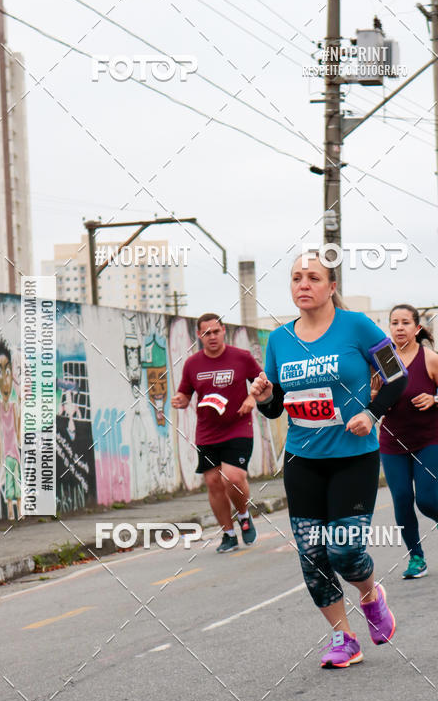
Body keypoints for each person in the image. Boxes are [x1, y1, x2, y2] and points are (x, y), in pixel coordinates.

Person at [251, 253, 407, 669]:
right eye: (296, 278)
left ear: (331, 287)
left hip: (353, 457)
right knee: (312, 556)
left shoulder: (358, 326)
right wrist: (265, 397)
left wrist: (371, 413)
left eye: (313, 277)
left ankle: (371, 595)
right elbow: (276, 406)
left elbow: (397, 376)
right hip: (302, 459)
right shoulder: (280, 339)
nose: (303, 284)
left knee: (345, 551)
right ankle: (344, 638)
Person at [375, 304, 438, 580]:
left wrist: (434, 399)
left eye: (405, 323)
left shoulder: (430, 359)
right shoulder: (384, 359)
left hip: (429, 439)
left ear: (417, 328)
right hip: (393, 442)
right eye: (394, 323)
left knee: (426, 500)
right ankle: (417, 558)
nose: (399, 327)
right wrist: (378, 401)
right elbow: (373, 393)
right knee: (401, 499)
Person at [172, 313, 262, 552]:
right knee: (213, 482)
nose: (211, 336)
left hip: (238, 426)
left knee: (232, 477)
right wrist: (180, 400)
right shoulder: (192, 364)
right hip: (207, 432)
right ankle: (228, 534)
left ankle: (243, 515)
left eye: (215, 331)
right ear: (199, 336)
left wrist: (252, 398)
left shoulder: (241, 357)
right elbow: (185, 393)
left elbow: (262, 381)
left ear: (223, 331)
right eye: (206, 333)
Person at [0, 337, 21, 520]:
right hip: (6, 454)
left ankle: (19, 510)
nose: (5, 379)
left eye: (8, 371)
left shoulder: (14, 407)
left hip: (15, 454)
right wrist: (1, 457)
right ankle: (11, 511)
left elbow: (18, 434)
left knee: (16, 482)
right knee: (10, 484)